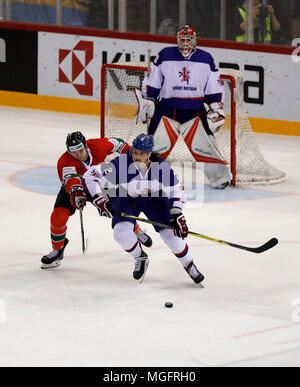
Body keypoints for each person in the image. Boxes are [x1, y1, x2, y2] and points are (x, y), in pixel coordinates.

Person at [83, 133, 205, 285]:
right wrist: (98, 198)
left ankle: (189, 264)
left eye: (141, 154)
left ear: (149, 154)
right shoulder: (121, 163)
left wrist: (177, 212)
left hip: (155, 200)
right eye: (135, 152)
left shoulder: (161, 167)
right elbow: (90, 175)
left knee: (171, 235)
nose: (136, 156)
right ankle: (140, 256)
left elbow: (177, 189)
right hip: (128, 199)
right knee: (120, 233)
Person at [135, 25, 232, 189]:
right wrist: (149, 99)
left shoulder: (206, 58)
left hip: (194, 112)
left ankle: (221, 177)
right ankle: (144, 176)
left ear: (195, 41)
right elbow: (153, 80)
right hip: (166, 110)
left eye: (189, 39)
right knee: (153, 145)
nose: (186, 43)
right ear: (177, 40)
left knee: (205, 145)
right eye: (183, 39)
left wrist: (215, 106)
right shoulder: (165, 54)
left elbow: (213, 86)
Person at [41, 131, 152, 269]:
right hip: (76, 190)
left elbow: (119, 144)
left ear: (86, 146)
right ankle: (58, 249)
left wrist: (131, 157)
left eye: (81, 151)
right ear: (68, 152)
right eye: (74, 153)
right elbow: (71, 180)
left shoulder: (98, 146)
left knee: (117, 210)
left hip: (98, 184)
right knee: (57, 217)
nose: (78, 155)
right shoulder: (65, 161)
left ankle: (136, 231)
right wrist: (76, 192)